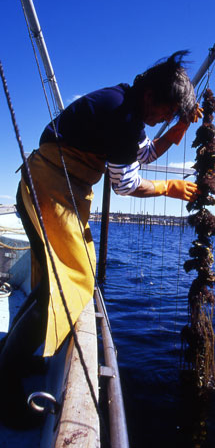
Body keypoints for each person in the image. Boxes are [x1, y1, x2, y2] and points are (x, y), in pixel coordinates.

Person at [0, 50, 202, 426]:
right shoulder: (124, 115)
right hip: (49, 188)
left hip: (47, 186)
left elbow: (137, 154)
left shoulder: (124, 106)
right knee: (69, 283)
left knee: (52, 285)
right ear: (150, 98)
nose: (165, 120)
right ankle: (5, 386)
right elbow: (125, 183)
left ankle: (12, 355)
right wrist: (170, 187)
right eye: (168, 113)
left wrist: (175, 135)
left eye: (172, 118)